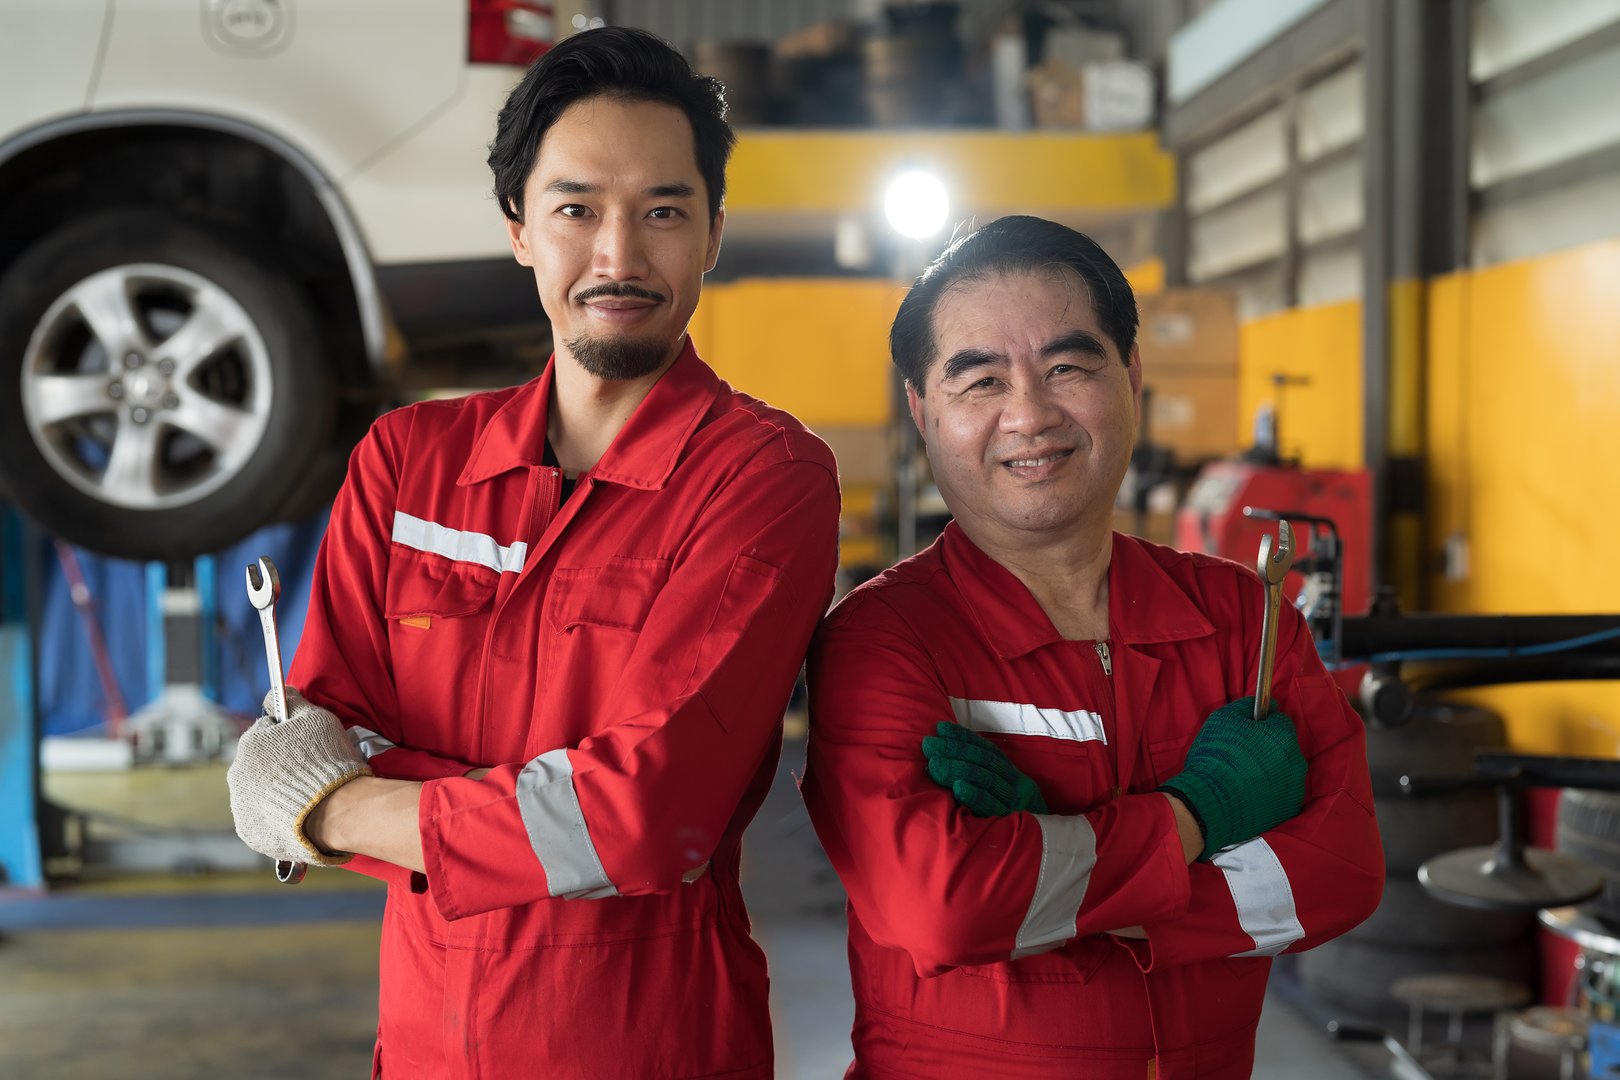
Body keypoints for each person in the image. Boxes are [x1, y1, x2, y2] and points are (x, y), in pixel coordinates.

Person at [225, 27, 840, 1079]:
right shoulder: (406, 462)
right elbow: (325, 728)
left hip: (650, 1044)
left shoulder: (763, 477)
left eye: (663, 212)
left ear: (713, 235)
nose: (619, 255)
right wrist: (530, 811)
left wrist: (339, 807)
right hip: (421, 1042)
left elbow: (649, 814)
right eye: (576, 210)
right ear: (518, 229)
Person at [800, 215, 1383, 1079]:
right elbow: (945, 910)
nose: (1030, 414)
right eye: (981, 381)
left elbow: (1338, 877)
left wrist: (1052, 871)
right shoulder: (885, 640)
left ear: (1132, 377)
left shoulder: (1240, 616)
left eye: (1068, 367)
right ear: (924, 413)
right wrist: (1200, 816)